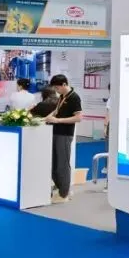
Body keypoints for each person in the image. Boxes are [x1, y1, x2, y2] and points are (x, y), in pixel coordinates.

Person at [45, 75, 82, 203]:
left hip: (65, 134)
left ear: (64, 84)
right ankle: (61, 188)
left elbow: (78, 118)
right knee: (54, 164)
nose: (56, 90)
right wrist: (47, 118)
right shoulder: (62, 96)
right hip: (55, 132)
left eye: (57, 87)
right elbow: (56, 111)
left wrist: (58, 120)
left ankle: (64, 194)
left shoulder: (74, 97)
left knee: (62, 164)